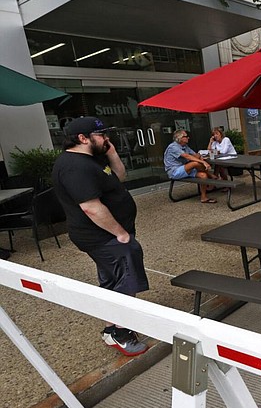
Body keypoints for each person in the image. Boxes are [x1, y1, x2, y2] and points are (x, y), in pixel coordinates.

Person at [51, 117, 149, 356]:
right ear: (83, 139)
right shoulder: (75, 166)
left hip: (108, 235)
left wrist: (111, 152)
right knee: (126, 281)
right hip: (103, 236)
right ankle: (121, 332)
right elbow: (90, 207)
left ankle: (109, 329)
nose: (107, 138)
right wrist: (121, 234)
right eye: (102, 135)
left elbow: (119, 178)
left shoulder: (91, 159)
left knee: (111, 282)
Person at [163, 129, 220, 203]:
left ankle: (204, 197)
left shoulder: (185, 146)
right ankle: (211, 175)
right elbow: (187, 156)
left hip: (185, 169)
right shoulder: (173, 147)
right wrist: (202, 162)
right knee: (195, 163)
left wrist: (200, 156)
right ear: (180, 138)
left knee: (203, 175)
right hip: (174, 171)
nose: (188, 138)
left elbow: (195, 155)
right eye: (186, 136)